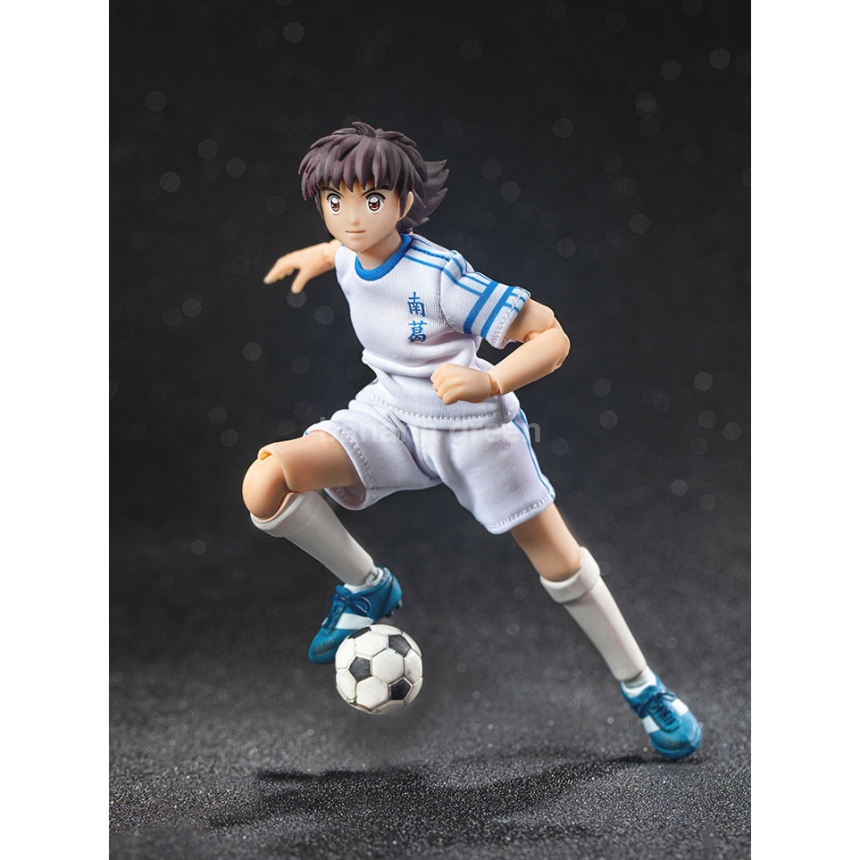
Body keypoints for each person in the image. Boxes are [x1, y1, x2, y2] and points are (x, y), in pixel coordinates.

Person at [242, 121, 701, 760]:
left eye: (371, 200)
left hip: (473, 432)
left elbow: (552, 336)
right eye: (333, 201)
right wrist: (313, 257)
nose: (351, 217)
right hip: (389, 418)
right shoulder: (348, 251)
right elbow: (338, 251)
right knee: (266, 481)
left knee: (559, 561)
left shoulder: (441, 277)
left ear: (403, 202)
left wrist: (490, 382)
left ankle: (644, 687)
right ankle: (367, 585)